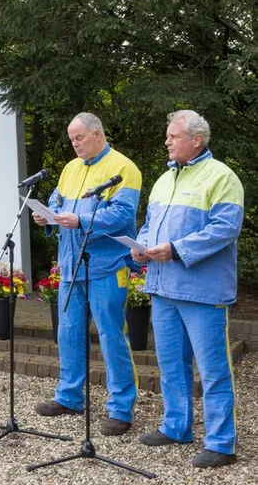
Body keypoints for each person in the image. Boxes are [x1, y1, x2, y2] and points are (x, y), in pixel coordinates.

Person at [132, 110, 242, 468]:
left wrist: (176, 250)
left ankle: (222, 443)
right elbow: (150, 224)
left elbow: (226, 227)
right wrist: (141, 244)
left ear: (196, 140)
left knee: (212, 370)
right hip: (164, 289)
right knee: (171, 365)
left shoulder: (222, 176)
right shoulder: (165, 179)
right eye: (167, 136)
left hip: (202, 292)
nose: (167, 141)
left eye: (173, 136)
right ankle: (176, 426)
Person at [31, 112, 141, 436]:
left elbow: (122, 215)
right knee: (68, 333)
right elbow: (56, 201)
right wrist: (47, 218)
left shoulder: (124, 168)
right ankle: (69, 397)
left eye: (78, 138)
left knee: (111, 335)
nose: (74, 144)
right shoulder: (69, 168)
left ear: (97, 134)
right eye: (71, 139)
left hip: (106, 266)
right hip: (70, 265)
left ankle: (121, 409)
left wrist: (76, 219)